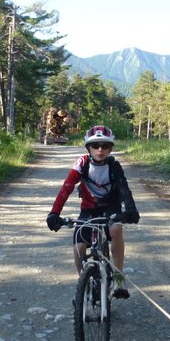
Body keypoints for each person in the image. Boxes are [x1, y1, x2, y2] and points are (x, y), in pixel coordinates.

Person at [46, 125, 140, 299]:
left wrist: (131, 209)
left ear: (110, 149)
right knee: (79, 246)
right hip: (88, 209)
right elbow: (66, 188)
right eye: (95, 145)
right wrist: (54, 213)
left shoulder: (114, 166)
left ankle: (119, 279)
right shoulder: (82, 164)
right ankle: (83, 282)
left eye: (105, 146)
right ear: (88, 148)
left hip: (111, 207)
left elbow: (124, 189)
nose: (100, 150)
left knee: (116, 229)